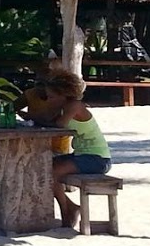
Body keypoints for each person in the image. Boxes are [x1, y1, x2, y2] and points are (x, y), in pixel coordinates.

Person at [43, 68, 112, 229]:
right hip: (81, 155)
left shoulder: (75, 106)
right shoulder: (65, 106)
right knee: (45, 166)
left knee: (52, 172)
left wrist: (49, 111)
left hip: (97, 159)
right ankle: (70, 207)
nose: (48, 100)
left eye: (52, 96)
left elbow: (60, 125)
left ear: (64, 95)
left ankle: (66, 210)